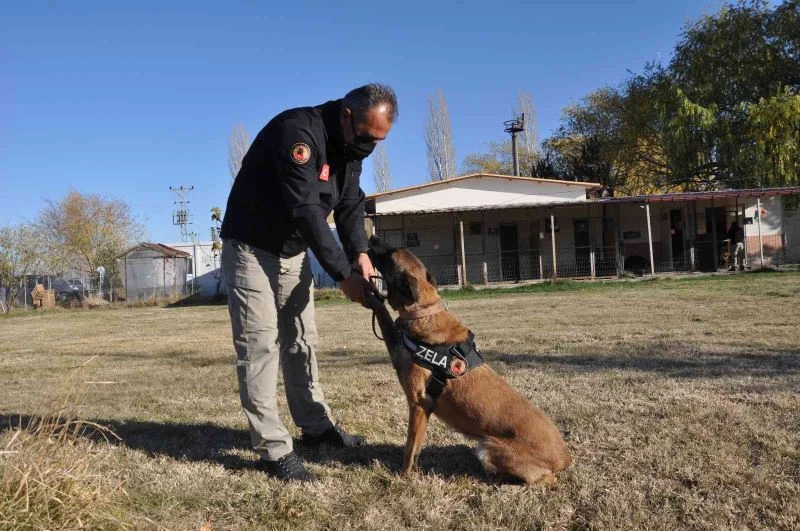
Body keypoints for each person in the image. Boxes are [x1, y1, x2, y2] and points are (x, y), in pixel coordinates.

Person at [219, 84, 397, 481]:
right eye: (367, 136)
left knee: (302, 339)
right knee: (260, 344)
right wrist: (343, 275)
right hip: (251, 247)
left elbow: (349, 203)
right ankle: (273, 450)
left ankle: (317, 428)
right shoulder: (298, 133)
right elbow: (306, 210)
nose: (370, 146)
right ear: (347, 116)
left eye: (379, 141)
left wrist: (360, 253)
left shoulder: (351, 148)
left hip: (291, 251)